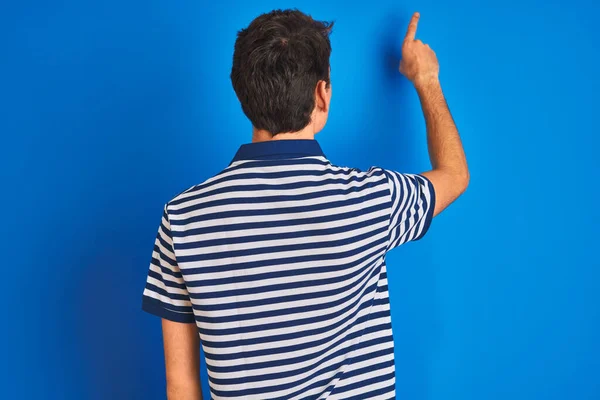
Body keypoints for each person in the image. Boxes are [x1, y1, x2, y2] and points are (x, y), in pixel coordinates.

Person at [141, 8, 468, 400]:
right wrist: (426, 78)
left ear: (242, 91)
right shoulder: (370, 201)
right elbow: (454, 174)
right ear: (321, 94)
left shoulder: (182, 219)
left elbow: (181, 384)